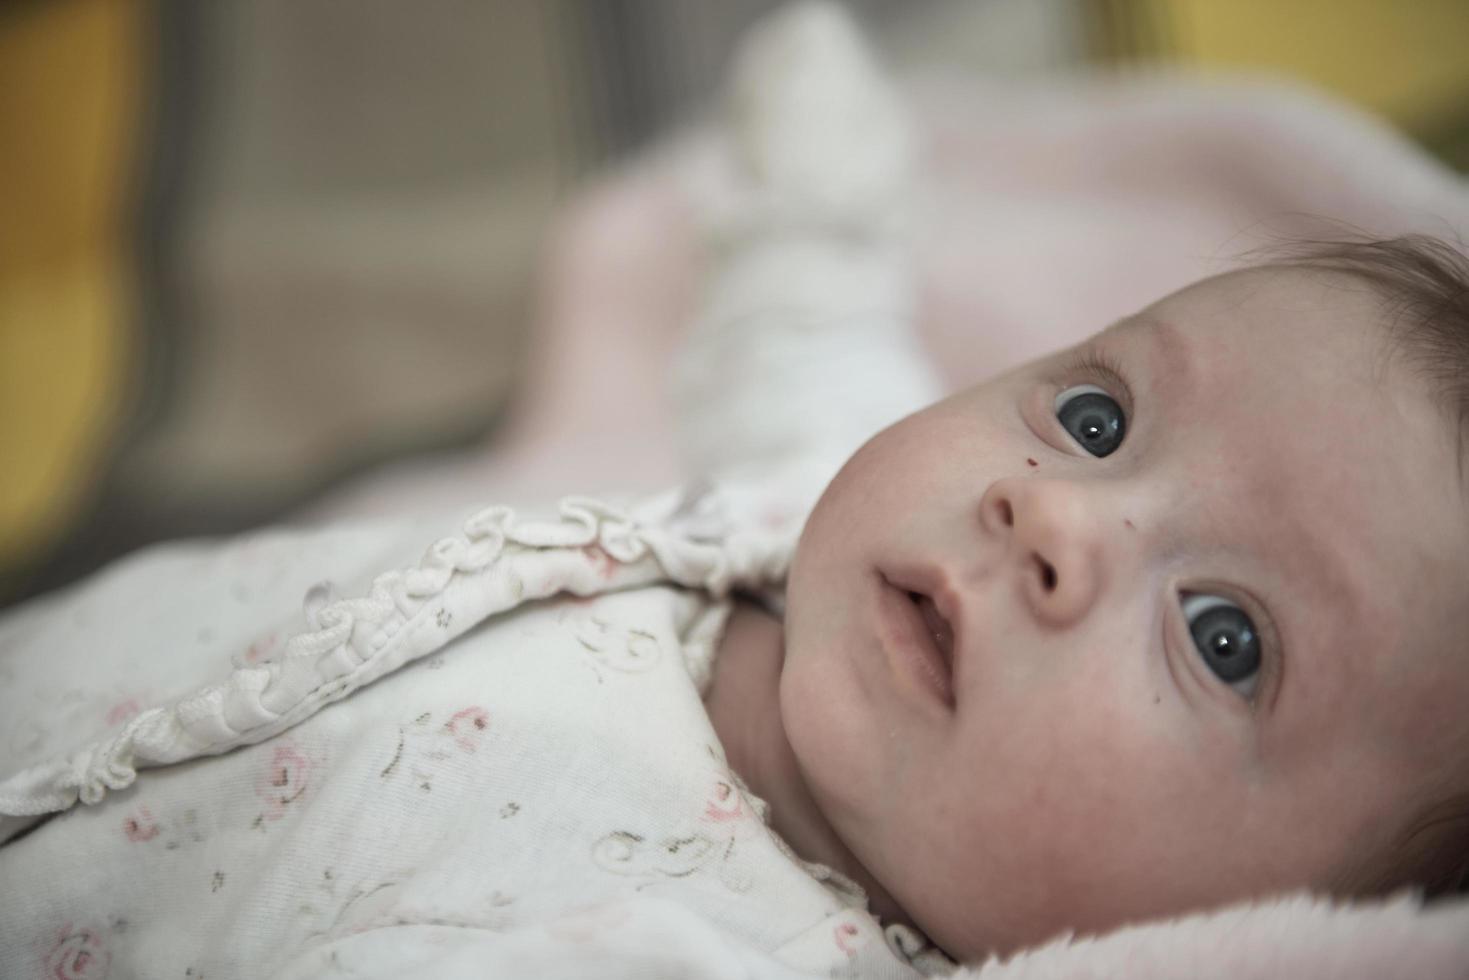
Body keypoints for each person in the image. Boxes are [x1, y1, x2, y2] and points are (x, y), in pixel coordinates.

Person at [2, 4, 1467, 977]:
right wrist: (817, 197)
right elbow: (804, 332)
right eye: (1094, 416)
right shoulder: (800, 509)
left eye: (1226, 639)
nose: (1056, 517)